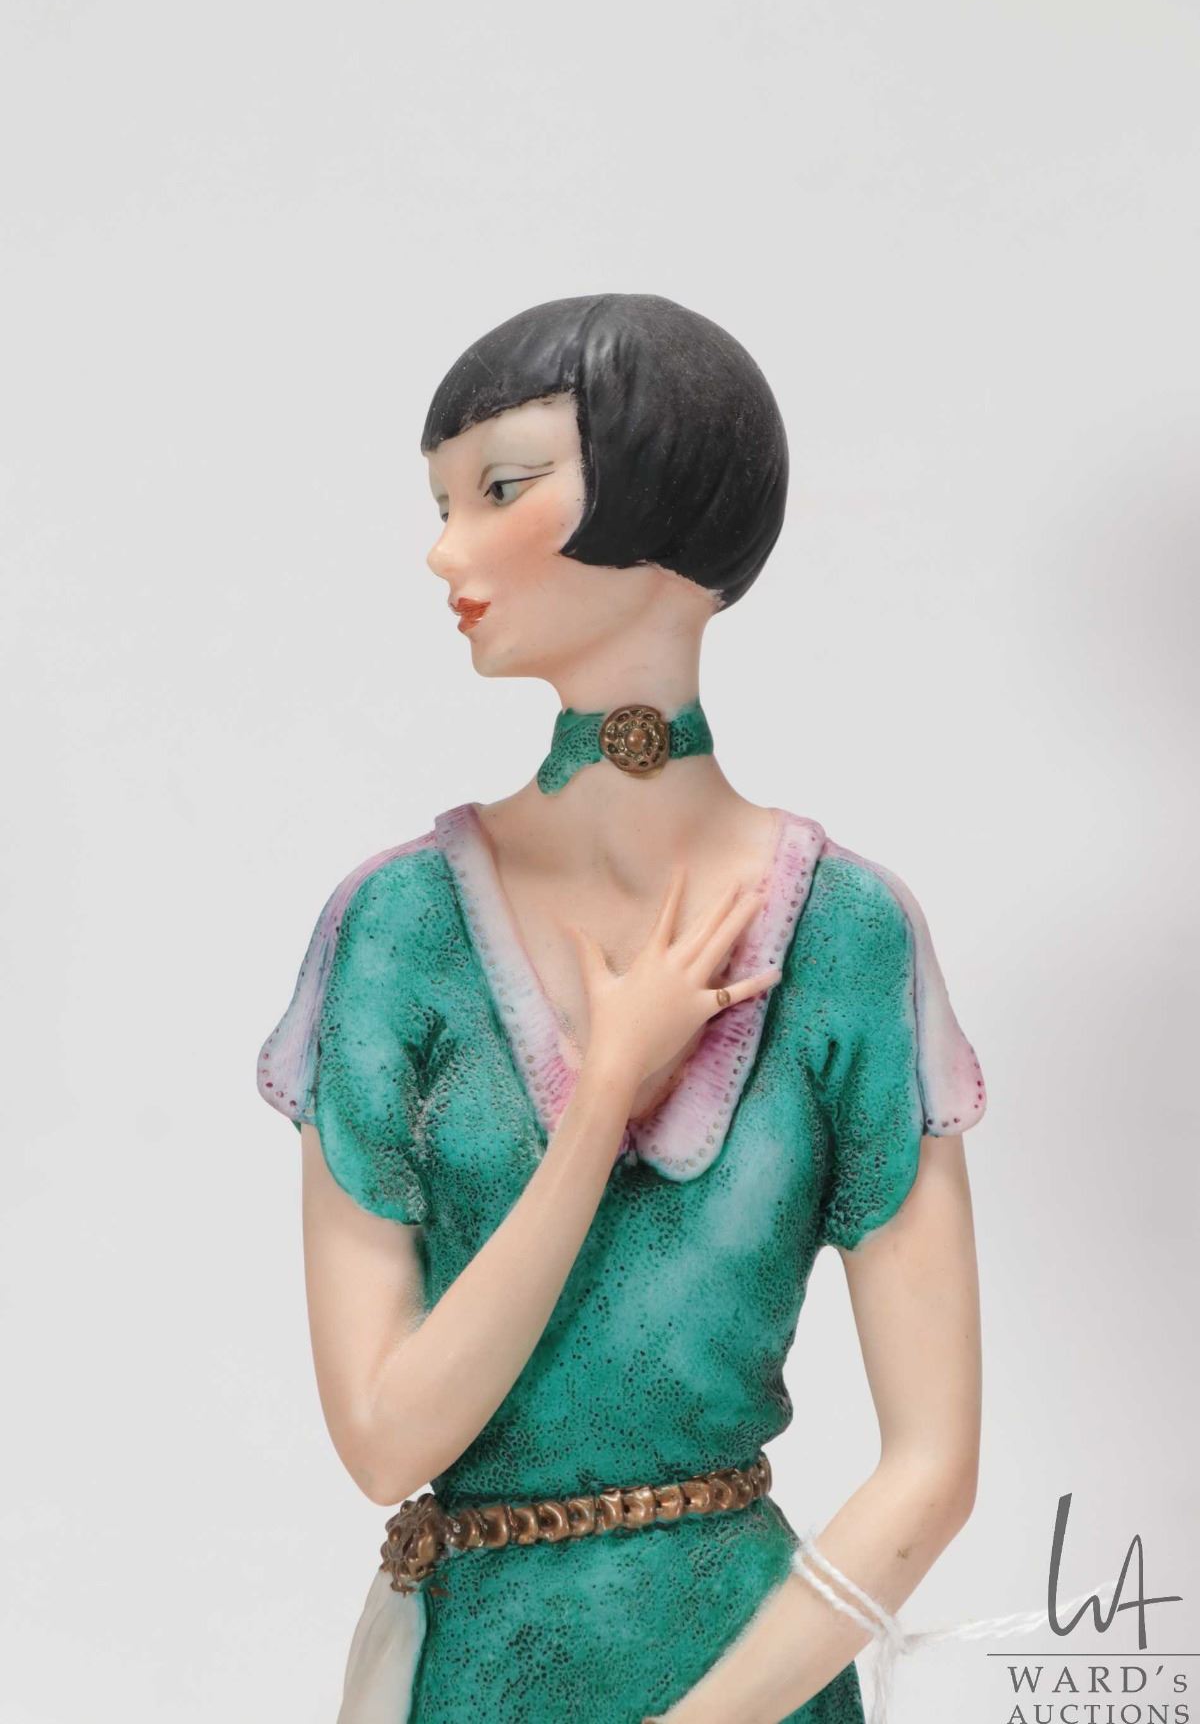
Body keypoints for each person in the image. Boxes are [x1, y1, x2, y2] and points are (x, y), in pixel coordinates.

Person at [256, 294, 987, 1723]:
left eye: (501, 490)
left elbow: (934, 1468)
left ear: (666, 498)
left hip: (754, 1671)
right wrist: (601, 1105)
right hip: (475, 1669)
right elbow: (387, 1438)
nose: (446, 550)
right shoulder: (394, 933)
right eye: (442, 504)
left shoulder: (848, 936)